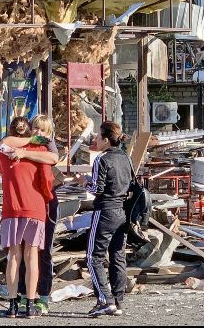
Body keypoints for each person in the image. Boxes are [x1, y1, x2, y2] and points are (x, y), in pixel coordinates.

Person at [0, 116, 54, 319]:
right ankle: (30, 305)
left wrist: (23, 148)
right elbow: (48, 176)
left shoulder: (4, 151)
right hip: (35, 207)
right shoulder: (39, 151)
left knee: (13, 257)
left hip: (11, 208)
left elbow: (4, 142)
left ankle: (13, 306)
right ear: (29, 131)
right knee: (32, 258)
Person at [84, 121, 132, 317]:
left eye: (97, 136)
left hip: (104, 211)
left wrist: (83, 182)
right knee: (118, 256)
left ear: (105, 139)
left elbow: (97, 189)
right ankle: (118, 301)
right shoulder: (125, 158)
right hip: (123, 212)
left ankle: (105, 299)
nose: (95, 139)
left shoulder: (101, 159)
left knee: (93, 256)